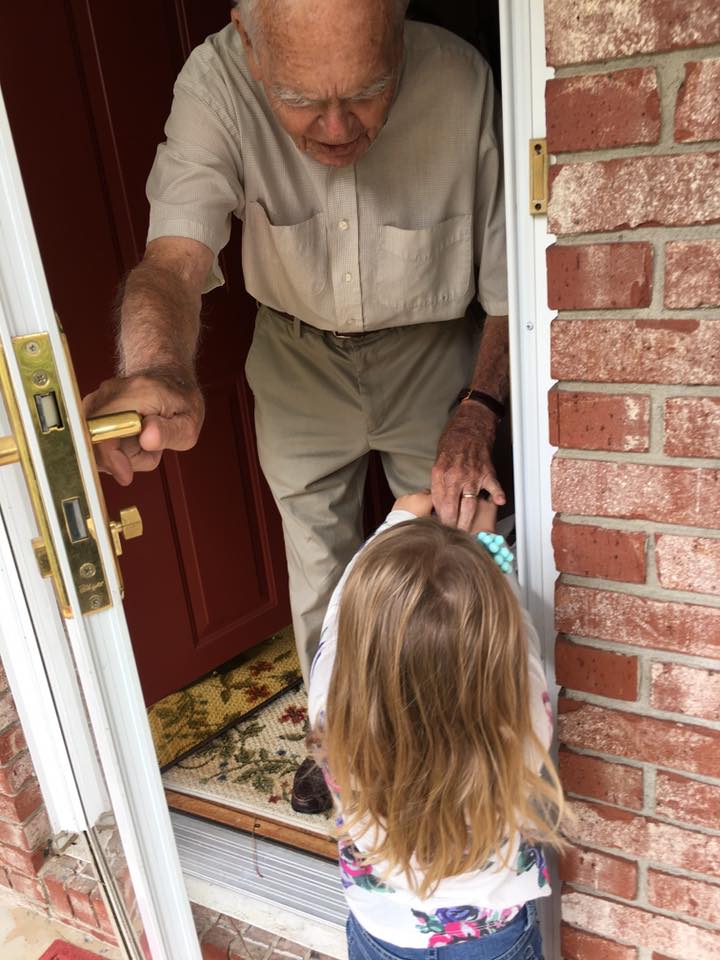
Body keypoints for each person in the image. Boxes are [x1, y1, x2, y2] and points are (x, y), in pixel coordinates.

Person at [84, 0, 510, 813]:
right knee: (319, 567)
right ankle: (335, 743)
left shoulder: (462, 81)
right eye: (302, 100)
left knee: (453, 555)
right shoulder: (214, 82)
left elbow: (508, 286)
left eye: (369, 90)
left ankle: (451, 756)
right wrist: (161, 368)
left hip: (435, 353)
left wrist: (479, 407)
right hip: (296, 354)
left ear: (400, 26)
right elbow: (174, 260)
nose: (338, 128)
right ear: (248, 42)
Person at [307, 492, 564, 960]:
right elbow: (522, 636)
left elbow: (339, 612)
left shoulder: (331, 709)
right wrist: (489, 546)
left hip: (381, 932)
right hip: (494, 937)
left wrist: (396, 519)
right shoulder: (523, 720)